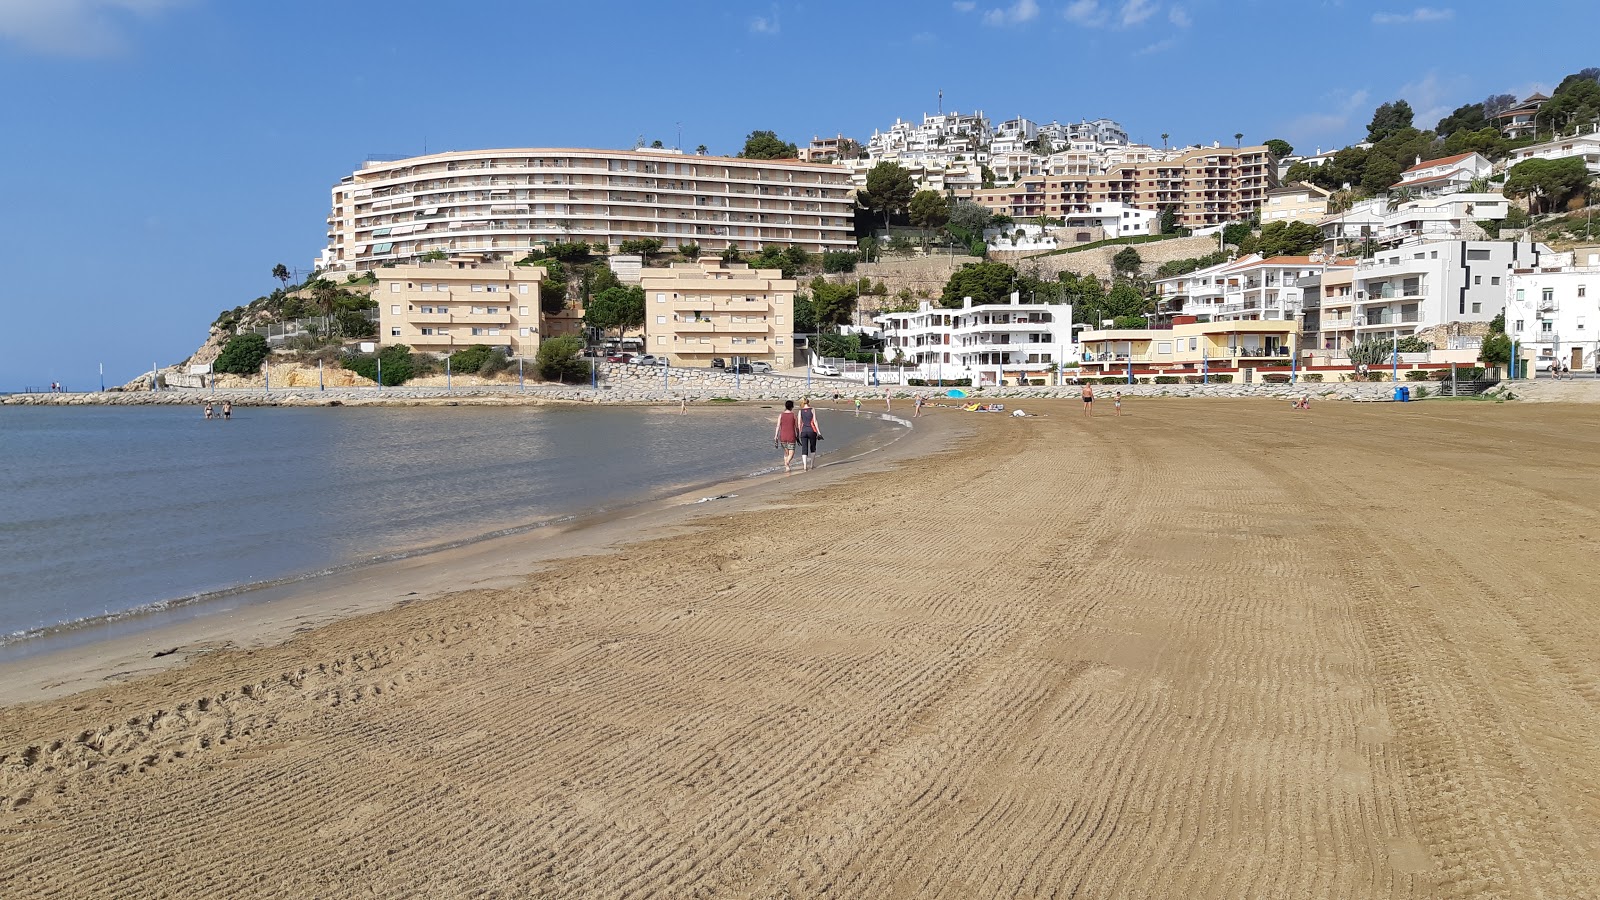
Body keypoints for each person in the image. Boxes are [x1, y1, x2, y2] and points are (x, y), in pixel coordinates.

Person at [797, 398, 822, 471]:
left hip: (803, 431)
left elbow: (799, 423)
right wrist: (819, 432)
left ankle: (805, 466)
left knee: (804, 448)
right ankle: (811, 465)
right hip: (812, 430)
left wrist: (798, 433)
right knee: (812, 448)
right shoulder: (812, 409)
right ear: (808, 402)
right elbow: (815, 421)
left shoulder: (800, 411)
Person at [774, 400, 799, 473]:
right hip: (791, 435)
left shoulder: (781, 415)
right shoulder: (793, 415)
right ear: (792, 407)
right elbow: (796, 427)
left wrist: (776, 435)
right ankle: (787, 463)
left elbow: (778, 426)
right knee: (791, 453)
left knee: (786, 453)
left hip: (783, 435)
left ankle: (787, 468)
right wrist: (798, 435)